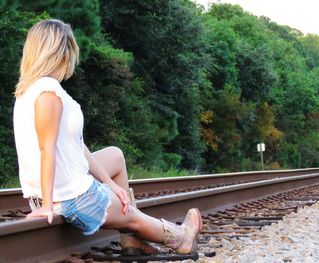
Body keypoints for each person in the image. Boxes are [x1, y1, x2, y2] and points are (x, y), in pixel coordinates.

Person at [13, 19, 202, 255]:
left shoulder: (30, 91)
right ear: (60, 51)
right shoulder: (47, 92)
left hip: (62, 188)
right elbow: (46, 149)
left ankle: (131, 241)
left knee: (115, 155)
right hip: (71, 197)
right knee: (132, 216)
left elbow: (77, 147)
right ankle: (180, 237)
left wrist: (111, 185)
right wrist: (48, 205)